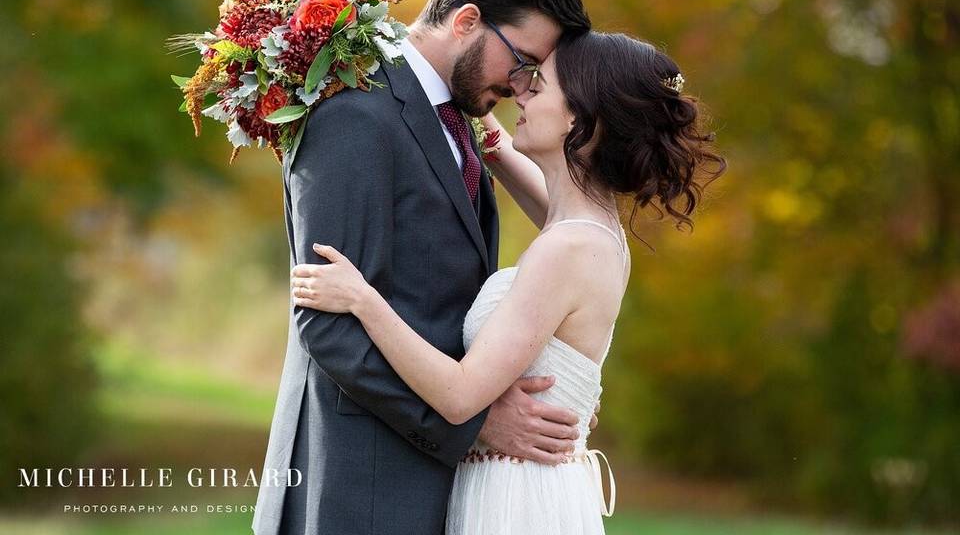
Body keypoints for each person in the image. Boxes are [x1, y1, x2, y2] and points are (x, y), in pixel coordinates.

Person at [291, 30, 727, 534]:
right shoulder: (592, 229)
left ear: (578, 120)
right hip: (529, 485)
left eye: (538, 87)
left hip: (517, 502)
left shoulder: (567, 249)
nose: (520, 92)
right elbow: (552, 195)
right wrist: (481, 126)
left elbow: (458, 396)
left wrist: (364, 300)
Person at [252, 0, 592, 535]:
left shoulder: (458, 124)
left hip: (432, 483)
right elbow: (327, 325)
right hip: (359, 485)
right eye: (522, 65)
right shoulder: (356, 113)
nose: (521, 89)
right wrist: (474, 421)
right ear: (466, 21)